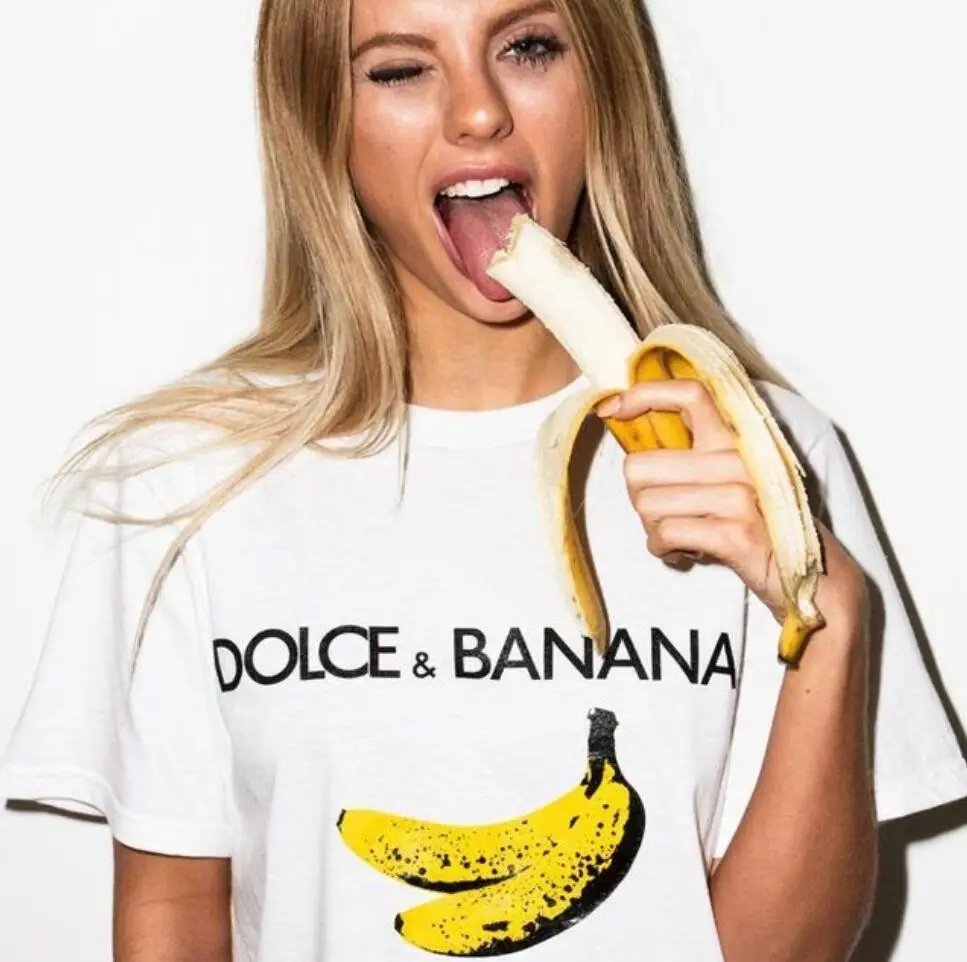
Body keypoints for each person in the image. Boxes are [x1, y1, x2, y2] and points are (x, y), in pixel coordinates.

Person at [1, 0, 965, 960]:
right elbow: (170, 917)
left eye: (528, 47)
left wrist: (829, 612)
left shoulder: (760, 453)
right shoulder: (185, 479)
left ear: (603, 85)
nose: (477, 111)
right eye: (398, 69)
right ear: (318, 117)